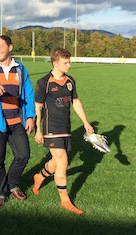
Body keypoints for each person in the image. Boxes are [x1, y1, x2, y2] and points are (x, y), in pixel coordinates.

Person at [32, 47, 94, 215]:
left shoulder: (70, 81)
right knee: (63, 162)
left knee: (56, 162)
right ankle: (65, 201)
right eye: (65, 63)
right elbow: (37, 107)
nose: (69, 65)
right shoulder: (44, 82)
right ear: (55, 63)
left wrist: (86, 123)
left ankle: (39, 177)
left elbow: (75, 102)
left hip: (66, 128)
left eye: (69, 62)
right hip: (51, 129)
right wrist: (38, 129)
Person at [0, 35, 35, 209]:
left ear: (10, 47)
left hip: (17, 121)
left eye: (0, 46)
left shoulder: (20, 69)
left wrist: (31, 116)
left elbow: (29, 94)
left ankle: (12, 184)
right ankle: (0, 193)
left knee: (23, 155)